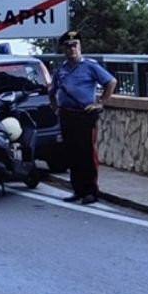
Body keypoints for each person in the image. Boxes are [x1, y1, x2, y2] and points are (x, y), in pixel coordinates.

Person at [49, 30, 116, 204]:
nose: (72, 49)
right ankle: (78, 190)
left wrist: (100, 102)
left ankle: (90, 191)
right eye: (68, 46)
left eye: (75, 45)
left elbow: (111, 82)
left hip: (84, 115)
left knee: (86, 153)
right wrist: (56, 108)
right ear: (63, 49)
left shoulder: (90, 66)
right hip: (67, 115)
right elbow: (52, 91)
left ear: (80, 47)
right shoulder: (61, 70)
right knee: (71, 153)